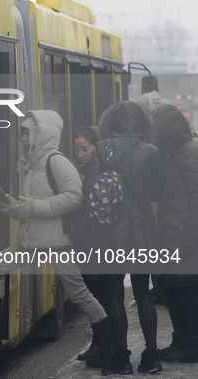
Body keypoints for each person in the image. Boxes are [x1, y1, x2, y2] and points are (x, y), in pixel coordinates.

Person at [0, 110, 114, 365]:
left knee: (79, 294)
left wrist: (31, 207)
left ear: (42, 134)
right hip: (33, 240)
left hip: (56, 243)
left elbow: (74, 197)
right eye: (22, 133)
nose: (22, 138)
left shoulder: (56, 161)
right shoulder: (31, 164)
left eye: (26, 133)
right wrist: (13, 207)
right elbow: (36, 203)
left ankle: (110, 345)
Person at [83, 101, 162, 374]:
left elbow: (89, 189)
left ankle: (122, 357)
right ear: (142, 123)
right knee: (143, 293)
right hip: (143, 230)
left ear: (111, 123)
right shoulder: (152, 151)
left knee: (114, 292)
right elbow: (157, 192)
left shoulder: (102, 149)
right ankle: (152, 356)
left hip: (109, 231)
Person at [150, 104, 198, 363]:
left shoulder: (190, 152)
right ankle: (180, 339)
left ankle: (193, 345)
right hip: (173, 237)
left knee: (189, 293)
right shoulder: (172, 154)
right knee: (175, 291)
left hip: (187, 239)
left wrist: (190, 237)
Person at [72, 126, 108, 361]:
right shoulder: (76, 171)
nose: (80, 154)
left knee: (100, 294)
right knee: (92, 291)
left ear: (97, 148)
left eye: (85, 149)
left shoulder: (103, 173)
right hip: (82, 241)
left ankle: (104, 344)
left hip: (98, 242)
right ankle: (98, 342)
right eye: (76, 149)